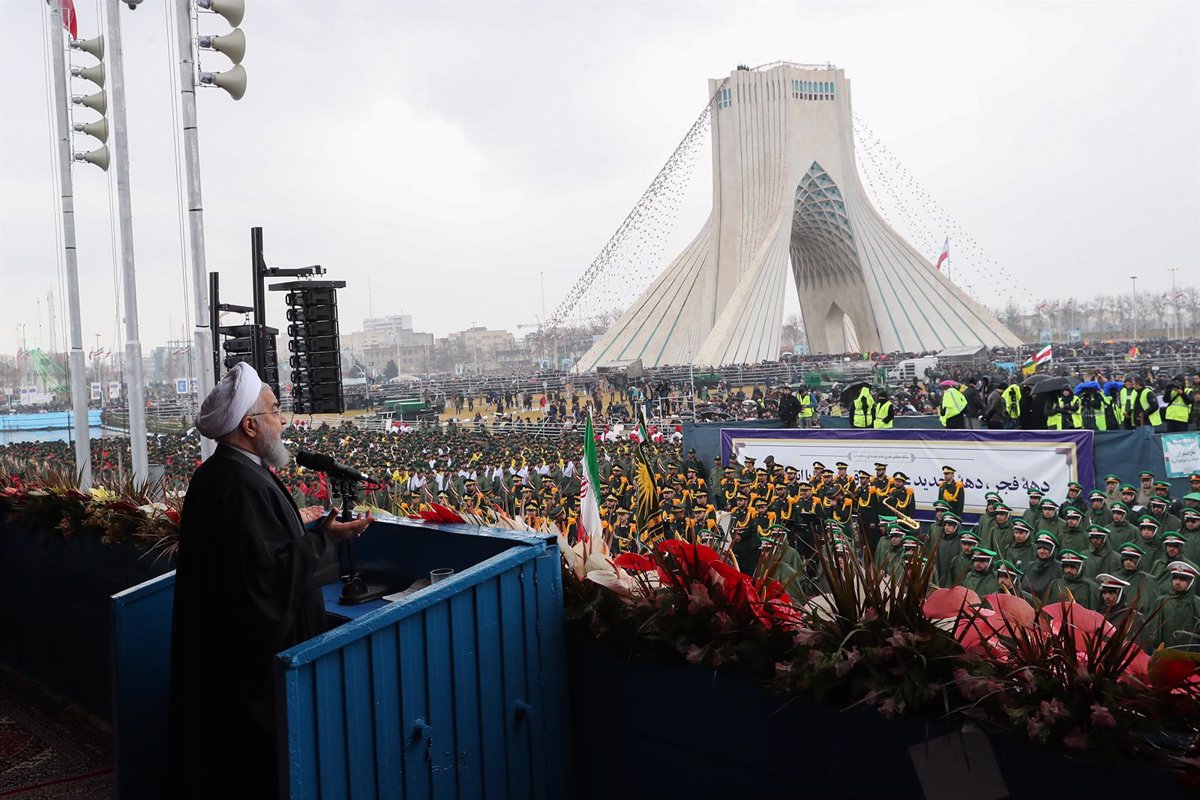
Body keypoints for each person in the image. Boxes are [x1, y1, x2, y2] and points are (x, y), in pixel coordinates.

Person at [168, 363, 373, 800]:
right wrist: (328, 542)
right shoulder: (243, 484)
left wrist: (305, 532)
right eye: (275, 411)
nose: (282, 421)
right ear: (249, 425)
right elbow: (265, 579)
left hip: (226, 659)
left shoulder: (218, 475)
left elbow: (255, 553)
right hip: (254, 668)